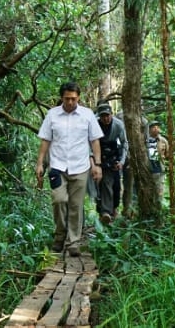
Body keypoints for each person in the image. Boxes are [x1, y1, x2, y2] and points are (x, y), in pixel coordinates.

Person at [35, 82, 102, 257]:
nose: (70, 102)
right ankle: (59, 236)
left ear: (78, 98)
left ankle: (73, 242)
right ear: (62, 98)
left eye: (73, 99)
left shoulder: (87, 115)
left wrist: (98, 165)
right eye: (67, 99)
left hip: (80, 167)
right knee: (59, 200)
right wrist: (40, 163)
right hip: (57, 166)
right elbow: (45, 140)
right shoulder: (52, 115)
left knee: (76, 205)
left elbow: (95, 141)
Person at [93, 102, 127, 224]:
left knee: (116, 185)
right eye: (103, 116)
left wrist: (122, 161)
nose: (106, 118)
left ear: (111, 114)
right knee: (105, 183)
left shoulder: (118, 125)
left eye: (108, 115)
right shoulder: (94, 124)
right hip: (99, 155)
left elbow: (124, 144)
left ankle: (113, 209)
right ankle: (105, 212)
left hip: (114, 155)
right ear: (99, 116)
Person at [147, 119, 167, 204]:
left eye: (157, 127)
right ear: (149, 129)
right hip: (148, 169)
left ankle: (159, 208)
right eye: (153, 127)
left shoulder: (163, 140)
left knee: (159, 190)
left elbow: (167, 153)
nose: (156, 129)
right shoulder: (145, 141)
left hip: (159, 168)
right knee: (149, 190)